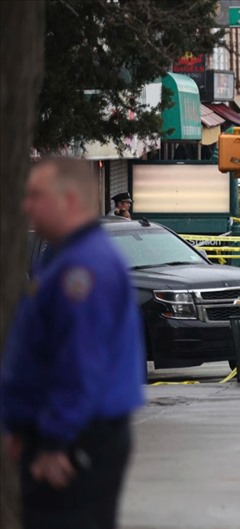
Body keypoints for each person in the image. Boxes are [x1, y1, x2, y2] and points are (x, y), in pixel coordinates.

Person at [1, 158, 145, 529]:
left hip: (77, 439)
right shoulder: (65, 258)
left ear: (68, 200)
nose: (26, 206)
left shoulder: (84, 269)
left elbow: (81, 363)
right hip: (60, 432)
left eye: (36, 195)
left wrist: (54, 441)